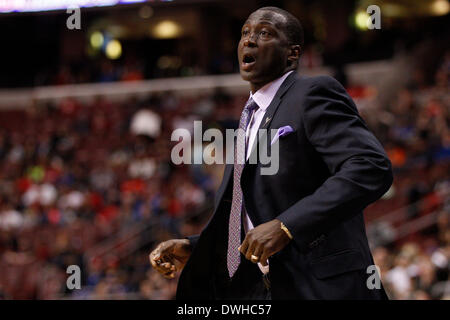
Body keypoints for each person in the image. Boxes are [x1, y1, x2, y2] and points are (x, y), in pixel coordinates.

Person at [150, 6, 393, 300]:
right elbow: (254, 214)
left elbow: (370, 166)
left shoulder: (312, 92)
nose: (249, 41)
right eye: (245, 33)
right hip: (270, 288)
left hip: (325, 287)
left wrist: (287, 226)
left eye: (264, 33)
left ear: (292, 53)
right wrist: (196, 246)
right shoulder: (248, 119)